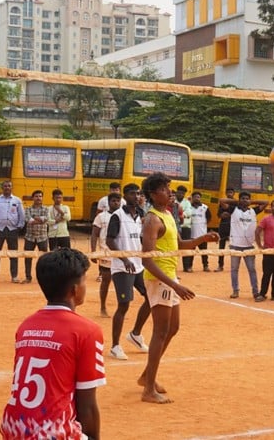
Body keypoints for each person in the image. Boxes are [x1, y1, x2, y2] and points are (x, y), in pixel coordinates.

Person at [0, 248, 105, 439]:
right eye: (83, 281)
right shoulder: (87, 331)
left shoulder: (26, 326)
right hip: (52, 433)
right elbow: (87, 406)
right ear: (74, 290)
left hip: (13, 428)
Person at [138, 172, 219, 404]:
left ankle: (147, 377)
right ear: (154, 195)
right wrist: (175, 285)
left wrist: (202, 239)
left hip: (169, 276)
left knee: (172, 328)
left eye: (169, 188)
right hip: (159, 279)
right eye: (164, 189)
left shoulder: (168, 214)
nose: (170, 192)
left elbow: (178, 245)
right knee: (160, 331)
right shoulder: (152, 219)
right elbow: (147, 259)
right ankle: (148, 390)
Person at [106, 183, 151, 360]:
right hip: (122, 267)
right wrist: (124, 259)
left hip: (138, 265)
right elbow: (110, 241)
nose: (136, 196)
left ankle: (135, 334)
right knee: (123, 305)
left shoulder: (140, 215)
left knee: (151, 298)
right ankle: (115, 346)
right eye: (133, 193)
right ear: (125, 195)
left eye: (138, 193)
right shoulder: (117, 216)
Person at [219, 192, 269, 299]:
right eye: (243, 198)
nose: (245, 200)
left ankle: (255, 291)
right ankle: (235, 290)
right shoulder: (233, 210)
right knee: (234, 269)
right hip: (235, 245)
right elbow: (222, 200)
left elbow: (266, 202)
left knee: (252, 269)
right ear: (239, 200)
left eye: (247, 199)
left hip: (249, 246)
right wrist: (237, 201)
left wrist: (251, 202)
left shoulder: (253, 211)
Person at [0, 180, 25, 283]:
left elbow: (21, 214)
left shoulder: (17, 200)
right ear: (2, 188)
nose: (7, 187)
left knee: (13, 253)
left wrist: (20, 226)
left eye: (9, 186)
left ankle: (14, 276)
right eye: (5, 186)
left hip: (12, 229)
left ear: (11, 188)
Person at [91, 192, 121, 318]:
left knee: (121, 282)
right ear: (108, 203)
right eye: (113, 201)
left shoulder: (123, 216)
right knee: (106, 281)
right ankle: (103, 307)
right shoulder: (101, 217)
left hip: (120, 253)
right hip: (105, 253)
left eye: (118, 201)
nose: (116, 203)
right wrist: (93, 252)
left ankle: (121, 309)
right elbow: (94, 235)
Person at [23, 190, 49, 284]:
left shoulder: (46, 209)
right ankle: (28, 277)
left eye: (40, 196)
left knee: (44, 259)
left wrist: (34, 218)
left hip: (42, 237)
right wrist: (40, 220)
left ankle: (44, 278)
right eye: (36, 196)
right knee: (27, 257)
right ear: (32, 198)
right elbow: (28, 220)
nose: (38, 198)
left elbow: (46, 219)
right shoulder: (27, 209)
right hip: (29, 237)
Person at [189, 191, 212, 272]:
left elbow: (209, 218)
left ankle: (205, 266)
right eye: (195, 197)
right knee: (191, 253)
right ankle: (189, 267)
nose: (197, 198)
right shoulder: (188, 207)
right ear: (192, 198)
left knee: (204, 252)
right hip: (192, 234)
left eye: (198, 197)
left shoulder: (205, 207)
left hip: (202, 235)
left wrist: (203, 225)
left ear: (200, 198)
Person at [214, 188, 235, 271]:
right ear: (226, 193)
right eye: (228, 192)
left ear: (234, 193)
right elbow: (219, 214)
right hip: (223, 226)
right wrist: (222, 215)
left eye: (231, 192)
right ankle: (220, 265)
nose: (229, 194)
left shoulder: (236, 203)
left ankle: (234, 266)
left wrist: (229, 215)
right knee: (221, 247)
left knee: (233, 247)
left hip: (233, 227)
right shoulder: (222, 202)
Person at [175, 185, 194, 273]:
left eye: (182, 193)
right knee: (174, 247)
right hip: (175, 228)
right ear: (176, 192)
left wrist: (181, 215)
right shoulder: (172, 201)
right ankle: (173, 268)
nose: (180, 194)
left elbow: (189, 212)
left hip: (185, 227)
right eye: (179, 192)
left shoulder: (187, 202)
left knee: (186, 247)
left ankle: (187, 267)